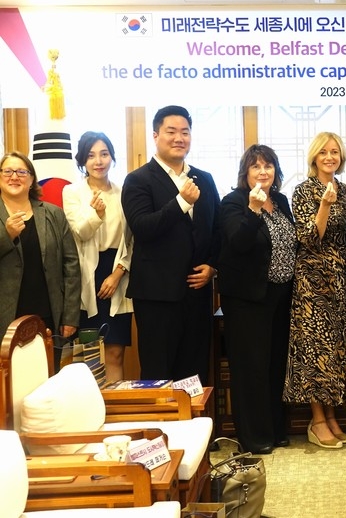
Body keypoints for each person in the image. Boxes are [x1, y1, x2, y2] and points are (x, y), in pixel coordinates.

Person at [121, 105, 220, 383]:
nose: (179, 138)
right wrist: (181, 202)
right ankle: (160, 415)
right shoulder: (137, 180)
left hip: (197, 294)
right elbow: (143, 228)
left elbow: (218, 228)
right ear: (156, 135)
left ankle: (193, 414)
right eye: (171, 132)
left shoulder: (204, 179)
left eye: (185, 132)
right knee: (158, 372)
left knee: (195, 374)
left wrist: (213, 266)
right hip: (157, 296)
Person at [283, 132, 346, 450]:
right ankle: (316, 421)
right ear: (314, 157)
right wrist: (324, 207)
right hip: (313, 283)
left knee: (337, 352)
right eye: (324, 152)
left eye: (335, 152)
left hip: (342, 280)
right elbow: (308, 238)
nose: (330, 157)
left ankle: (331, 417)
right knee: (316, 352)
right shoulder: (303, 191)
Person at [218, 144, 295, 454]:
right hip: (247, 299)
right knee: (251, 368)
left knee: (276, 365)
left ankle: (276, 429)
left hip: (281, 295)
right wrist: (252, 209)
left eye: (268, 166)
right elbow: (237, 243)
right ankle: (254, 436)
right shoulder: (233, 202)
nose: (263, 172)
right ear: (245, 172)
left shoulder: (281, 201)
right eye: (256, 166)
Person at [62, 132, 133, 383]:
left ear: (112, 157)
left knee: (115, 352)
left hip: (117, 272)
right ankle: (92, 405)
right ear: (82, 160)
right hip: (85, 276)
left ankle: (115, 404)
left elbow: (132, 239)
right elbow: (79, 232)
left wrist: (118, 273)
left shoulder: (124, 192)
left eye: (104, 154)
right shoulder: (72, 192)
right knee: (88, 355)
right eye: (91, 155)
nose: (98, 161)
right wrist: (96, 214)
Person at [0, 151, 80, 346]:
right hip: (4, 317)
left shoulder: (54, 214)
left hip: (47, 315)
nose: (14, 177)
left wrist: (70, 316)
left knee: (49, 366)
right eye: (8, 171)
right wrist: (6, 236)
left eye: (21, 172)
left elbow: (71, 265)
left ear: (31, 179)